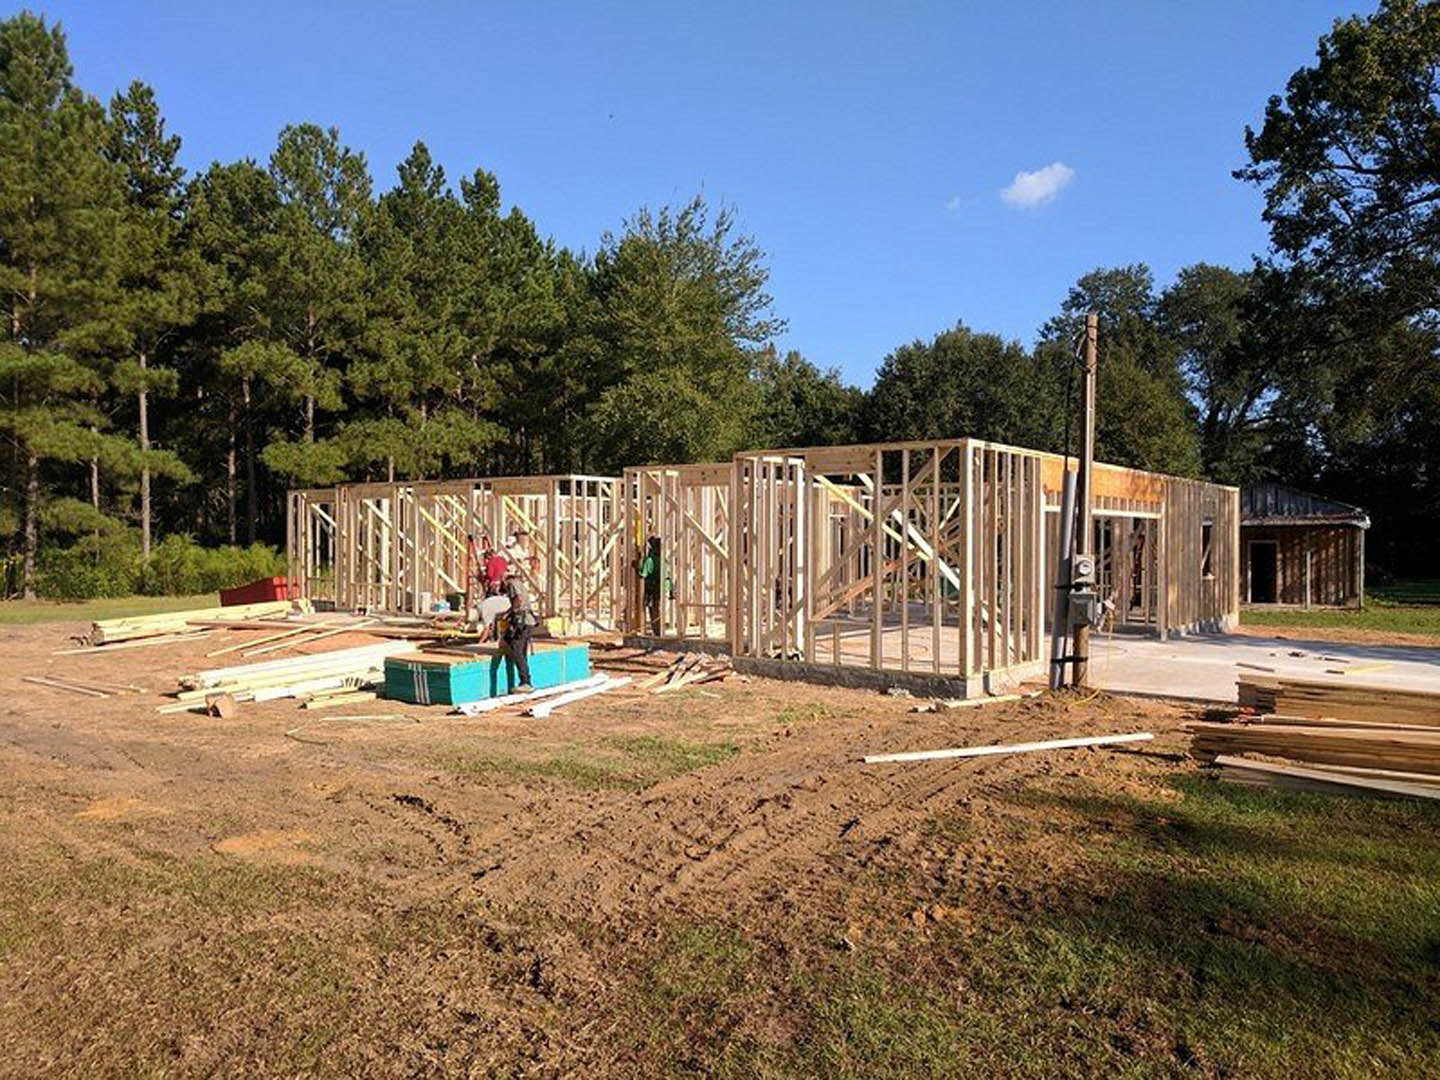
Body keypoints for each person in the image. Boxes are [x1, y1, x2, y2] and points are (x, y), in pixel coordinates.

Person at [498, 571, 538, 691]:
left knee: (516, 650)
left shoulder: (511, 584)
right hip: (528, 621)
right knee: (522, 651)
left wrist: (511, 612)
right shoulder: (519, 583)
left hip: (523, 621)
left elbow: (518, 599)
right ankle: (526, 681)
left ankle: (525, 682)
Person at [638, 534, 668, 636]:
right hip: (661, 588)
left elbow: (643, 574)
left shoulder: (650, 560)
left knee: (653, 610)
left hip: (652, 589)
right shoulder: (663, 560)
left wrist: (636, 567)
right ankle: (660, 631)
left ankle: (657, 632)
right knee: (659, 609)